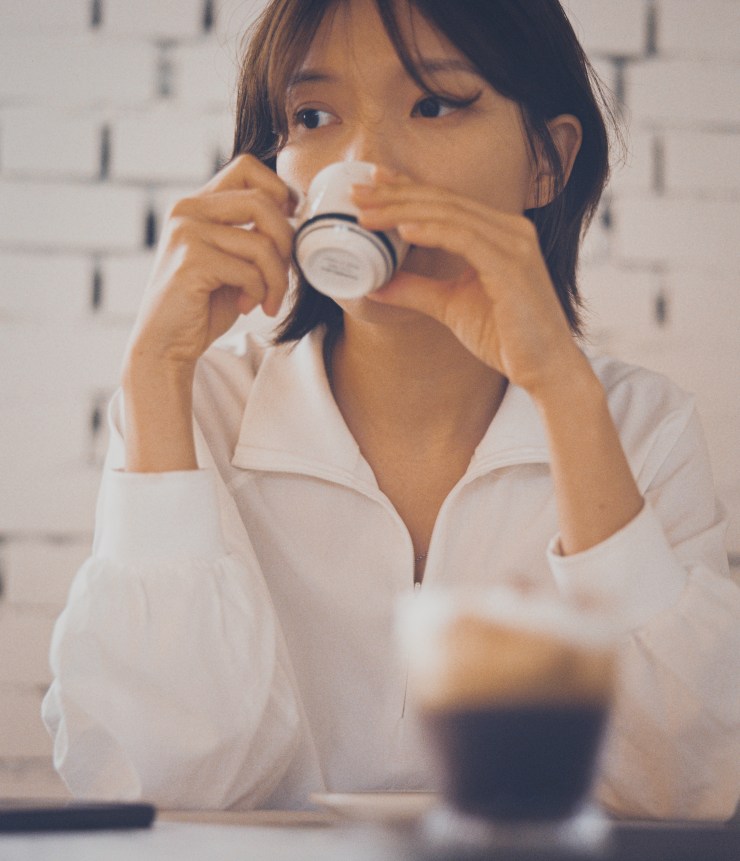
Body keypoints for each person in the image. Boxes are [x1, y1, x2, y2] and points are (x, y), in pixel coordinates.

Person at [43, 0, 739, 819]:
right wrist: (153, 370)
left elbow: (686, 788)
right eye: (313, 116)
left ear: (547, 159)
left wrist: (562, 389)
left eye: (435, 104)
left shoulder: (638, 426)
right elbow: (156, 787)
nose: (366, 165)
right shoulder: (194, 413)